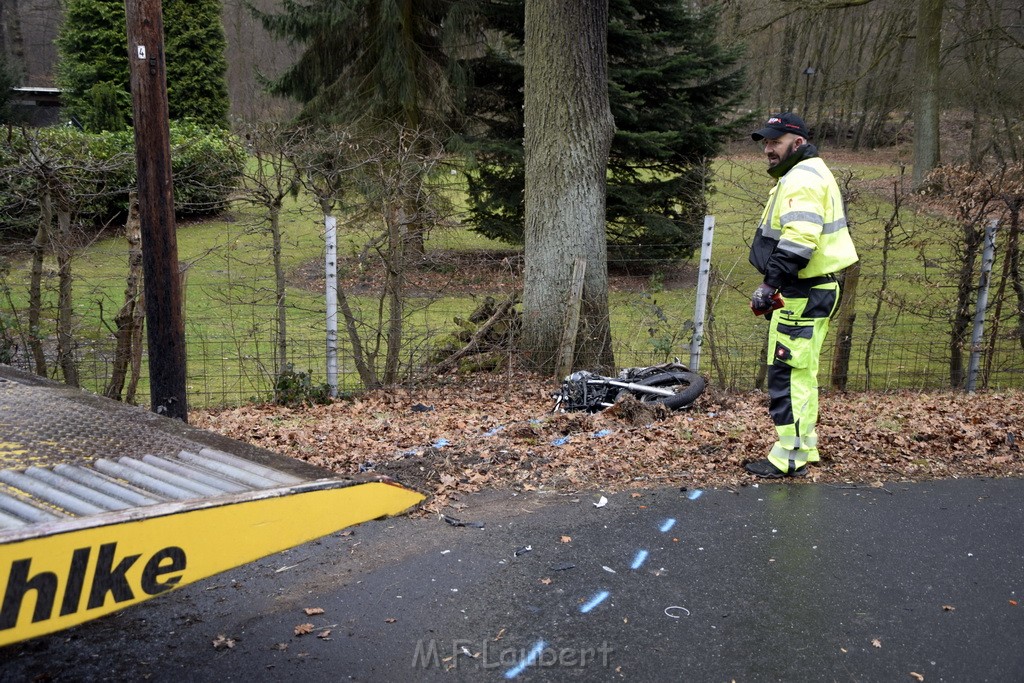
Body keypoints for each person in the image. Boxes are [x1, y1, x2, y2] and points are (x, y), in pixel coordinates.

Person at [744, 113, 858, 479]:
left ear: (797, 142)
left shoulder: (803, 178)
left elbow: (799, 240)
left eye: (775, 141)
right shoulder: (810, 171)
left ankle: (789, 458)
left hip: (802, 289)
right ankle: (803, 447)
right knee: (801, 373)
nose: (768, 149)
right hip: (814, 288)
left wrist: (769, 286)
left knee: (786, 373)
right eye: (765, 142)